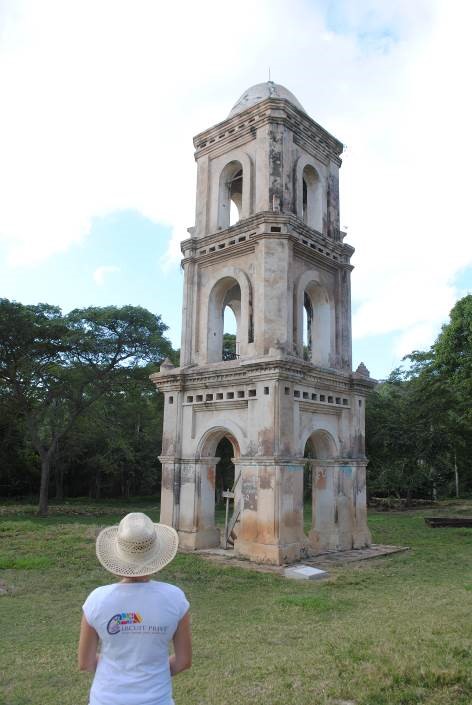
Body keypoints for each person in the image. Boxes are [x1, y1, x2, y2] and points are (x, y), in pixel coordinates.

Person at [78, 512, 191, 705]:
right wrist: (154, 673)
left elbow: (85, 662)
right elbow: (183, 661)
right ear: (157, 555)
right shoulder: (175, 599)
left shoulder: (97, 600)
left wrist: (116, 670)